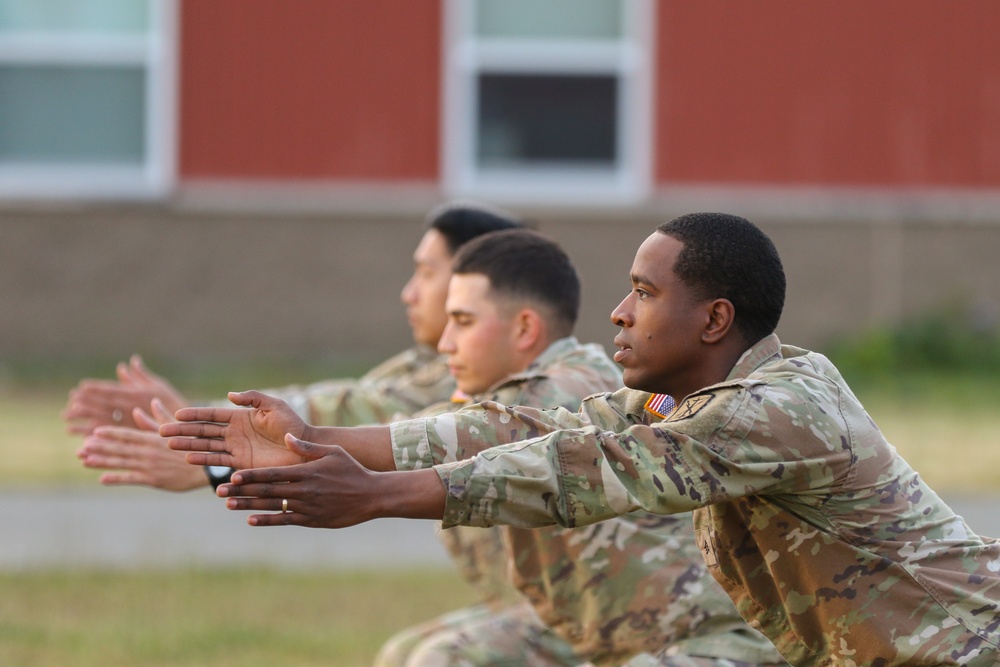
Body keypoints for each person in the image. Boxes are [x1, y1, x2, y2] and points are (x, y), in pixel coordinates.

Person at [165, 212, 1000, 666]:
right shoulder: (694, 401)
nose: (620, 313)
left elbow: (589, 472)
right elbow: (536, 428)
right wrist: (317, 437)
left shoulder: (771, 411)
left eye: (643, 291)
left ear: (714, 318)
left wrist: (376, 495)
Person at [70, 202, 525, 491]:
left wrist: (217, 450)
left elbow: (378, 417)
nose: (410, 293)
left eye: (427, 273)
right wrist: (208, 424)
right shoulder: (438, 360)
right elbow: (354, 402)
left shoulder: (501, 374)